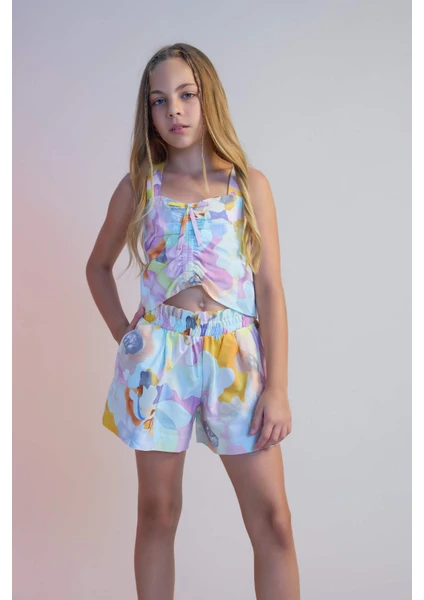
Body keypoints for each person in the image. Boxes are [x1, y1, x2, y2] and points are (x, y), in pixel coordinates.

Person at [86, 43, 301, 600]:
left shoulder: (248, 185)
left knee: (273, 521)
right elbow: (97, 267)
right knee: (158, 513)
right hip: (159, 363)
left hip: (236, 359)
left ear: (210, 100)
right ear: (149, 112)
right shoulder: (140, 187)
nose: (174, 110)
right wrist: (126, 335)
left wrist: (277, 388)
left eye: (186, 95)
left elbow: (270, 289)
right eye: (159, 101)